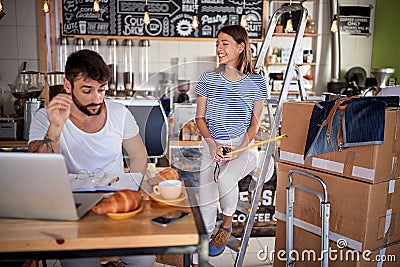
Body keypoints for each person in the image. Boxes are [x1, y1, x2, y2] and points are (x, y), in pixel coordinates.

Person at [28, 49, 154, 267]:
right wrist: (56, 127)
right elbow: (38, 170)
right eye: (87, 90)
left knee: (143, 258)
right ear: (68, 86)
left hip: (117, 205)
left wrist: (132, 189)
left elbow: (138, 154)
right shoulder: (45, 116)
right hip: (71, 209)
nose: (97, 98)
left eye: (101, 90)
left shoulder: (119, 112)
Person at [193, 25, 269, 263]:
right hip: (212, 146)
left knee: (224, 179)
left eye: (224, 43)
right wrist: (211, 144)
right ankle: (200, 255)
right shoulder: (208, 78)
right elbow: (199, 118)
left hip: (243, 147)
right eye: (217, 43)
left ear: (241, 46)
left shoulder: (257, 82)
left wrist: (238, 150)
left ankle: (225, 228)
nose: (219, 48)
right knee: (205, 200)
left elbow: (255, 126)